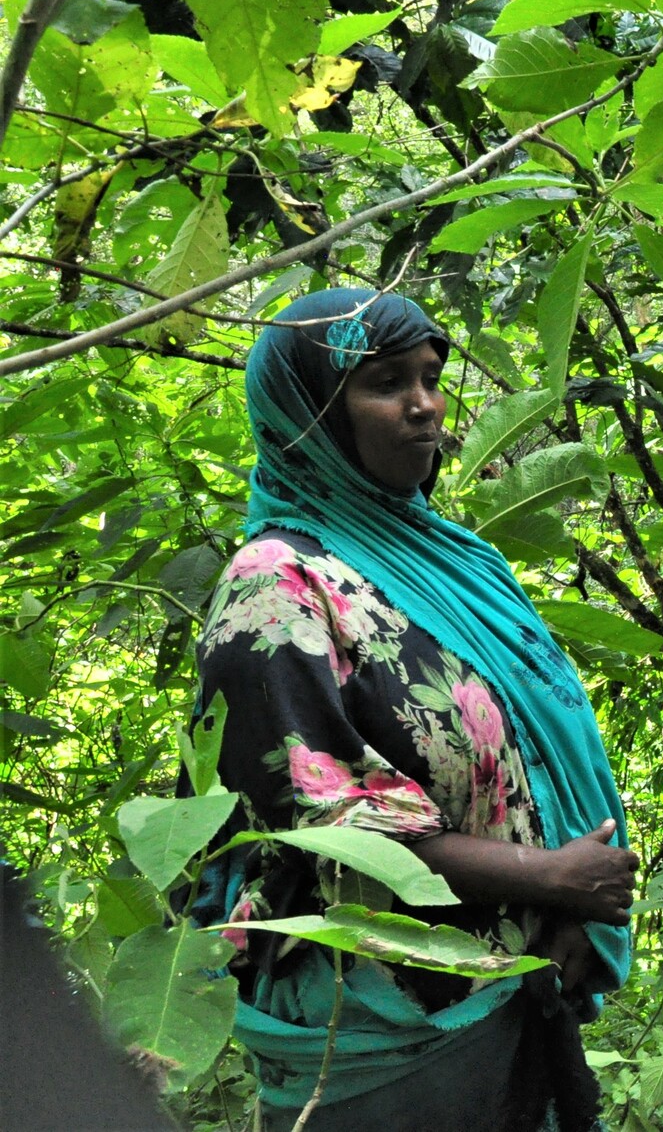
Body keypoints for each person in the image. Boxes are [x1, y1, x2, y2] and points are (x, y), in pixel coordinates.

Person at [191, 288, 639, 1132]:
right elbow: (328, 826)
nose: (425, 404)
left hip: (518, 976)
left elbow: (541, 744)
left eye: (431, 377)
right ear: (311, 415)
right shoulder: (275, 585)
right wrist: (548, 878)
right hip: (379, 1018)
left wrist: (571, 908)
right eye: (387, 382)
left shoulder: (451, 557)